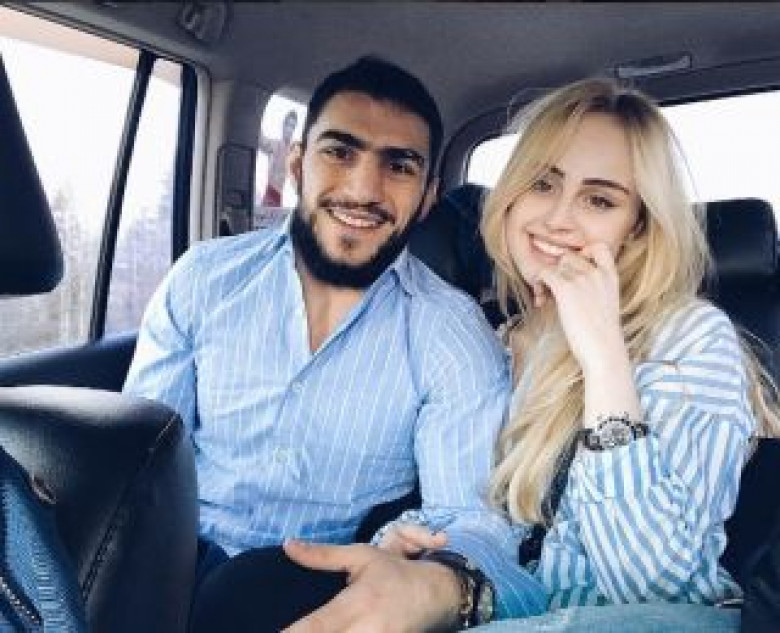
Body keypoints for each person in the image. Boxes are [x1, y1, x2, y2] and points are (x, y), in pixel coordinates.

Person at [124, 56, 546, 632]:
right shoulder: (203, 279)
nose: (363, 189)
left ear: (428, 196)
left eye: (399, 165)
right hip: (163, 561)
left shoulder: (451, 333)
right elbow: (139, 459)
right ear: (298, 164)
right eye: (340, 152)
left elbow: (470, 520)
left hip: (316, 590)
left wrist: (436, 580)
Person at [376, 78, 780, 632]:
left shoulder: (688, 340)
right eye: (543, 184)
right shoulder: (482, 342)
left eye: (599, 200)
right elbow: (481, 523)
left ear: (637, 227)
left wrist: (604, 358)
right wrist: (411, 547)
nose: (557, 219)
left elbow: (655, 589)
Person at [259, 109, 298, 208]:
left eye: (292, 126)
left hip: (279, 196)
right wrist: (256, 115)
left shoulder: (293, 151)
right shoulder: (274, 145)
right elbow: (260, 140)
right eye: (288, 125)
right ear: (283, 126)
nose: (289, 129)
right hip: (269, 193)